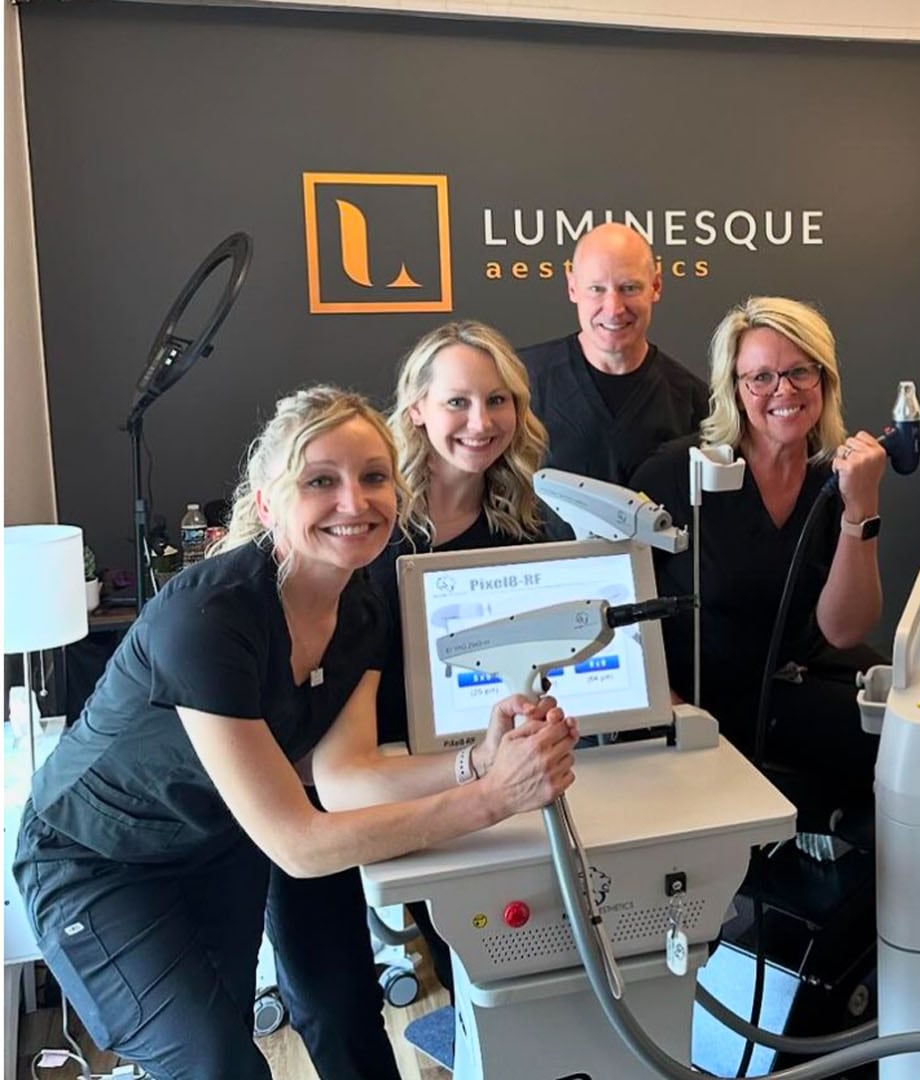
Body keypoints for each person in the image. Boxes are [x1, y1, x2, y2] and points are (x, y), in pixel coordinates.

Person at [13, 386, 577, 1080]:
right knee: (215, 1063)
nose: (354, 501)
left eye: (374, 477)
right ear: (267, 502)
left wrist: (477, 760)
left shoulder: (363, 602)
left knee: (226, 1040)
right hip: (97, 856)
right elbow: (299, 845)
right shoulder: (210, 618)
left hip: (218, 843)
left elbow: (342, 776)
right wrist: (491, 799)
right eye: (321, 481)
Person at [629, 296, 886, 811]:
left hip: (801, 672)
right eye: (761, 377)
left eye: (799, 373)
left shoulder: (834, 476)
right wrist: (669, 709)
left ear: (824, 380)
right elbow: (622, 612)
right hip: (704, 695)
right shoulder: (677, 476)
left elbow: (844, 630)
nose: (783, 391)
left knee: (912, 734)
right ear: (734, 389)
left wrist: (861, 508)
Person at [366, 319, 551, 992]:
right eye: (459, 402)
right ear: (416, 410)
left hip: (481, 769)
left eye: (498, 400)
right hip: (373, 773)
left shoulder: (526, 528)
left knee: (479, 966)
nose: (481, 421)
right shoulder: (368, 522)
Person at [519, 222, 707, 486]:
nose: (614, 308)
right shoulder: (521, 386)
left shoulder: (694, 403)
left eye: (629, 288)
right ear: (572, 288)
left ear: (656, 286)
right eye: (596, 289)